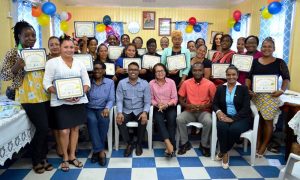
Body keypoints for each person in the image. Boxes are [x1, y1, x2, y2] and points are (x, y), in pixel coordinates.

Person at [0, 21, 53, 174]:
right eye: (27, 35)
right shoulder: (12, 53)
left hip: (43, 93)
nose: (31, 38)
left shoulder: (38, 52)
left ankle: (43, 158)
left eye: (33, 35)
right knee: (42, 127)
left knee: (44, 128)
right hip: (26, 94)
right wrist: (17, 66)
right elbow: (4, 75)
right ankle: (36, 160)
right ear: (19, 36)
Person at [43, 36, 90, 172]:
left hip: (78, 101)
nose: (69, 50)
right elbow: (46, 83)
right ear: (61, 48)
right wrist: (61, 94)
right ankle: (65, 157)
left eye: (71, 47)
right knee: (64, 130)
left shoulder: (79, 63)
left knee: (75, 129)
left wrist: (80, 93)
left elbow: (86, 82)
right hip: (60, 102)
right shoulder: (52, 63)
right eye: (66, 47)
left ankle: (72, 155)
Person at [246, 37, 290, 158]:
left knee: (267, 121)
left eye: (269, 46)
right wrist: (248, 89)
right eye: (264, 46)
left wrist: (281, 90)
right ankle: (258, 142)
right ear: (261, 48)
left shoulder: (280, 62)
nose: (266, 49)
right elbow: (248, 77)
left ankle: (264, 145)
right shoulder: (255, 62)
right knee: (258, 120)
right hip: (256, 96)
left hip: (271, 97)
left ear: (274, 48)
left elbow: (286, 78)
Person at [212, 65, 251, 169]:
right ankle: (225, 154)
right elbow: (214, 104)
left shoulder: (243, 88)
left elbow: (246, 108)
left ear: (237, 76)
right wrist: (219, 112)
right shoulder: (220, 88)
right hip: (225, 116)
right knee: (222, 127)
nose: (231, 77)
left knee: (234, 129)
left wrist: (233, 119)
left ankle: (223, 151)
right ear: (226, 75)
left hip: (241, 118)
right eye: (228, 75)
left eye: (233, 74)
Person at [176, 62, 216, 156]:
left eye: (199, 70)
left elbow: (215, 102)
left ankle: (204, 145)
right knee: (179, 119)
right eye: (195, 70)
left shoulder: (210, 84)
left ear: (203, 71)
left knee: (209, 121)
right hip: (190, 111)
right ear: (192, 71)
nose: (197, 72)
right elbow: (180, 99)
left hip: (204, 112)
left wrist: (204, 106)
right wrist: (187, 105)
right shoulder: (186, 83)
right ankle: (185, 143)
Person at [116, 62, 151, 157]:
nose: (133, 71)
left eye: (135, 69)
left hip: (139, 110)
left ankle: (139, 144)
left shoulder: (144, 84)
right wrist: (119, 112)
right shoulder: (121, 83)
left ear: (138, 71)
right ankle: (129, 143)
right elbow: (119, 100)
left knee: (143, 120)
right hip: (126, 109)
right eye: (131, 69)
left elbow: (147, 102)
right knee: (119, 121)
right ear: (128, 71)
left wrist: (145, 112)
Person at [86, 61, 115, 166]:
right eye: (95, 69)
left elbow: (111, 99)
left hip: (102, 108)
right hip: (89, 108)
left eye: (99, 69)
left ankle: (96, 151)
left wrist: (107, 108)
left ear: (104, 71)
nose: (97, 71)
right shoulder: (88, 82)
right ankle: (101, 151)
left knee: (104, 120)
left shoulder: (110, 82)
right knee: (92, 121)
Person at [149, 63, 178, 157]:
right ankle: (169, 144)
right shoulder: (151, 83)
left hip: (169, 106)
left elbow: (175, 98)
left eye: (161, 70)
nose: (160, 73)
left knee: (171, 118)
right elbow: (150, 98)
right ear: (154, 73)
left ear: (165, 72)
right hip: (158, 107)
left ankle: (170, 146)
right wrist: (157, 104)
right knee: (158, 120)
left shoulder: (171, 82)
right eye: (157, 71)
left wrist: (167, 104)